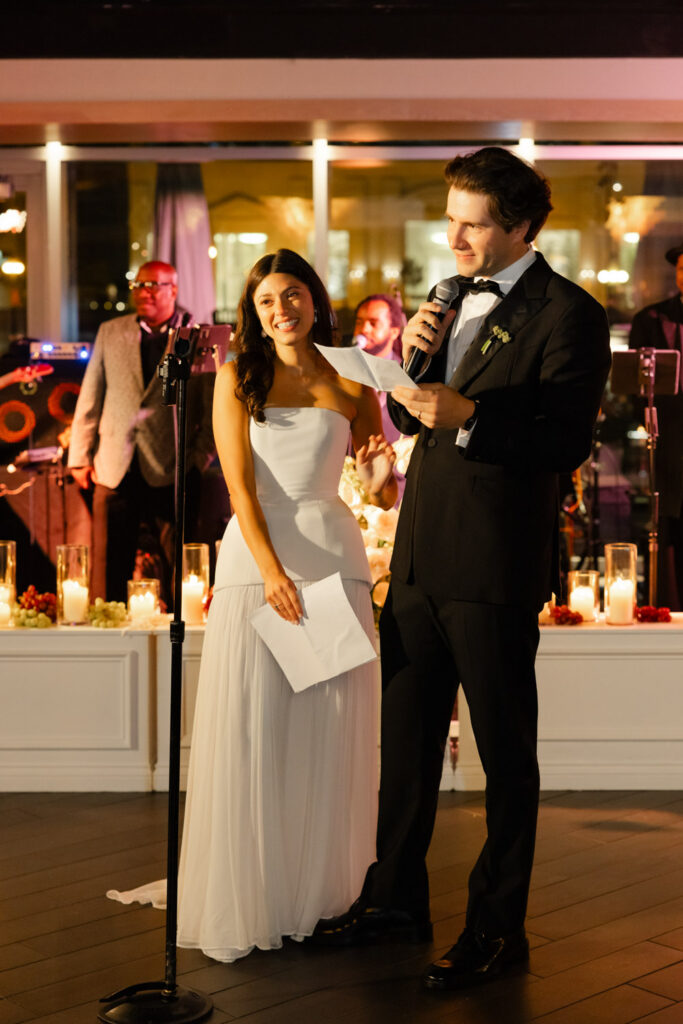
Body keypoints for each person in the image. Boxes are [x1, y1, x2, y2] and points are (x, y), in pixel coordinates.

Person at [312, 147, 612, 991]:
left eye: (471, 223)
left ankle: (495, 928)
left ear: (518, 226)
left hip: (493, 563)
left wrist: (471, 412)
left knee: (503, 754)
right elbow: (422, 427)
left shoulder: (570, 314)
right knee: (402, 744)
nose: (453, 239)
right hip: (417, 557)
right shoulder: (444, 302)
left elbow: (565, 442)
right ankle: (395, 898)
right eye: (449, 220)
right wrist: (409, 370)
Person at [175, 249, 397, 962]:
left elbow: (382, 488)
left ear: (314, 298)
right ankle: (257, 893)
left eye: (292, 294)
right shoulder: (238, 375)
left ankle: (326, 896)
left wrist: (375, 472)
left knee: (331, 729)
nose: (281, 309)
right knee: (257, 726)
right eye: (267, 300)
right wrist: (270, 571)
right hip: (258, 562)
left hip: (335, 556)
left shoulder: (353, 375)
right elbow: (239, 489)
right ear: (254, 311)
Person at [67, 261, 214, 606]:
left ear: (173, 291)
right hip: (115, 465)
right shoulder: (111, 331)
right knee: (109, 565)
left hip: (173, 465)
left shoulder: (197, 337)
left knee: (181, 570)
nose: (144, 291)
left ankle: (180, 641)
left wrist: (199, 456)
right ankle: (109, 632)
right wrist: (80, 456)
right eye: (139, 285)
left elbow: (210, 405)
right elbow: (91, 395)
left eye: (154, 285)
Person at [629, 242, 683, 610]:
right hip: (671, 439)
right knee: (668, 522)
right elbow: (634, 384)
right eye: (682, 269)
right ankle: (668, 602)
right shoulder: (651, 319)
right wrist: (646, 419)